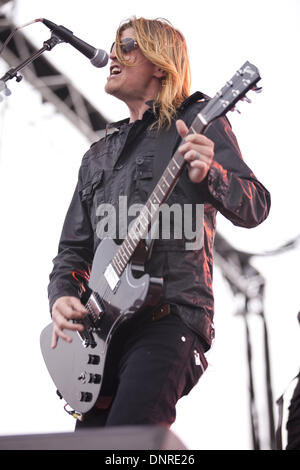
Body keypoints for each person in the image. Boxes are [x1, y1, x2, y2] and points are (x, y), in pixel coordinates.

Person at [48, 16, 271, 429]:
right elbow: (73, 252)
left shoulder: (198, 119)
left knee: (127, 442)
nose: (113, 55)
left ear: (160, 64)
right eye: (113, 46)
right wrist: (62, 297)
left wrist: (213, 176)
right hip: (101, 333)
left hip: (170, 318)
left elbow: (256, 205)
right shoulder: (98, 154)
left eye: (127, 47)